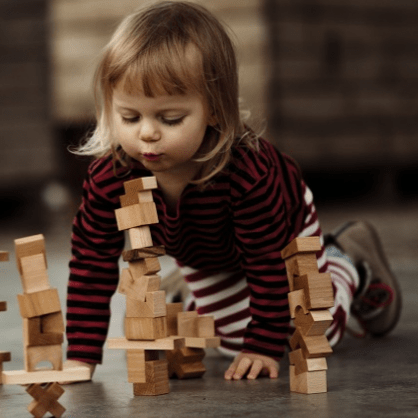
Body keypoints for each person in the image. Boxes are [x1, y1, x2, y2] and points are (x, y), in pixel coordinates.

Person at [63, 1, 401, 382]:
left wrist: (261, 345)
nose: (146, 134)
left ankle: (346, 263)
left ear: (214, 111)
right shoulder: (110, 177)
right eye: (129, 117)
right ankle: (188, 296)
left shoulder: (247, 174)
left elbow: (266, 261)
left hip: (280, 234)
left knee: (306, 336)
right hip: (203, 247)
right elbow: (92, 263)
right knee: (225, 343)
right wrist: (81, 355)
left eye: (170, 118)